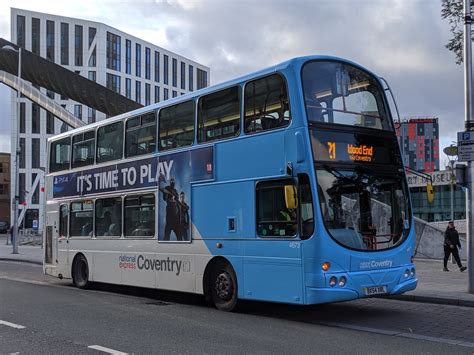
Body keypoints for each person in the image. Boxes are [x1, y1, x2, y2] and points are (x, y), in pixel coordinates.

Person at [162, 177, 181, 241]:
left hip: (176, 217)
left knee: (180, 237)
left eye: (173, 180)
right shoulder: (167, 188)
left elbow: (177, 200)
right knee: (166, 236)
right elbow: (164, 197)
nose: (172, 181)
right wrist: (168, 194)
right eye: (171, 180)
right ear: (170, 181)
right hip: (169, 216)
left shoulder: (175, 191)